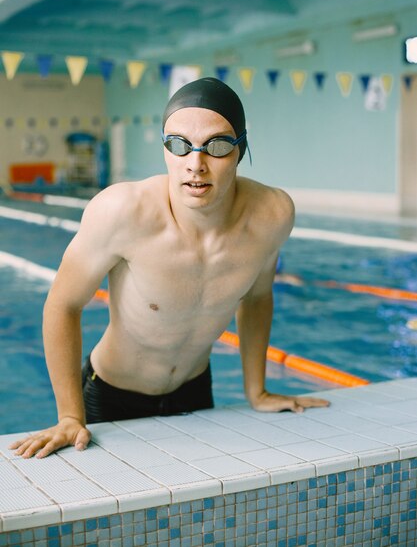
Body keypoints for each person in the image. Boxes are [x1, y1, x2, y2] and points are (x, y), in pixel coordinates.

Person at [10, 77, 329, 459]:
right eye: (179, 145)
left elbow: (258, 297)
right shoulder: (122, 212)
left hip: (194, 390)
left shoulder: (272, 215)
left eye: (218, 146)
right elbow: (62, 305)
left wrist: (256, 391)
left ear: (240, 150)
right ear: (165, 150)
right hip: (110, 395)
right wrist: (68, 415)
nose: (196, 165)